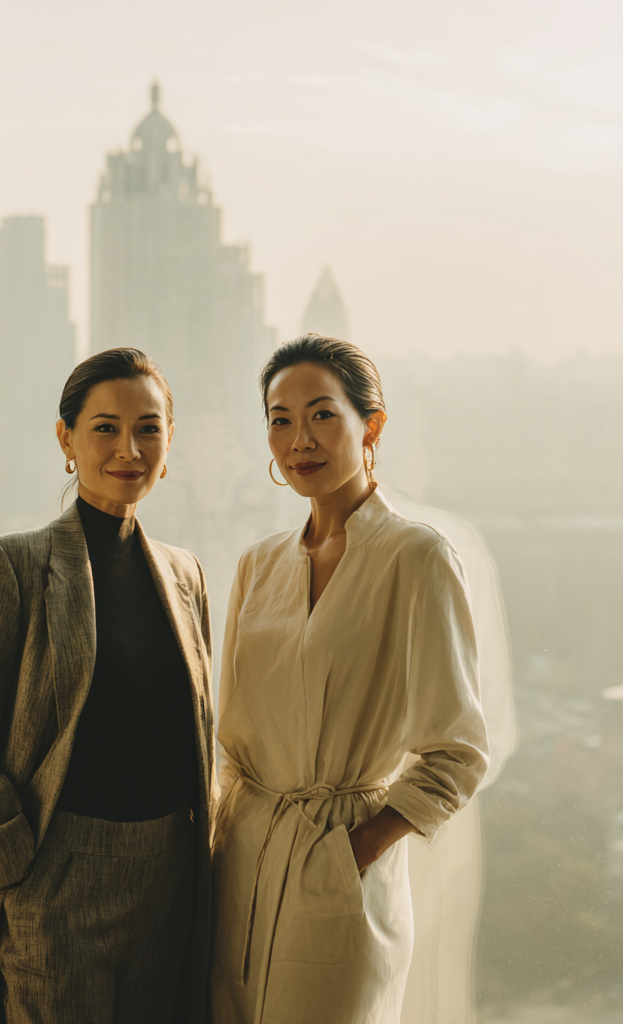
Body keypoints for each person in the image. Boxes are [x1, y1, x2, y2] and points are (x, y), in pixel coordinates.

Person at [0, 348, 216, 1024]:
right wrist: (20, 869)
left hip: (167, 892)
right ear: (65, 439)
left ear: (169, 442)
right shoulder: (10, 568)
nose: (128, 449)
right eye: (105, 427)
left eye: (149, 428)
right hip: (53, 883)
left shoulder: (185, 576)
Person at [209, 334, 490, 1024]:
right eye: (280, 419)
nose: (299, 438)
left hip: (338, 882)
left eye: (322, 414)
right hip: (236, 871)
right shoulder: (258, 565)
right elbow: (229, 733)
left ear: (373, 424)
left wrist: (351, 852)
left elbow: (458, 752)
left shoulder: (418, 557)